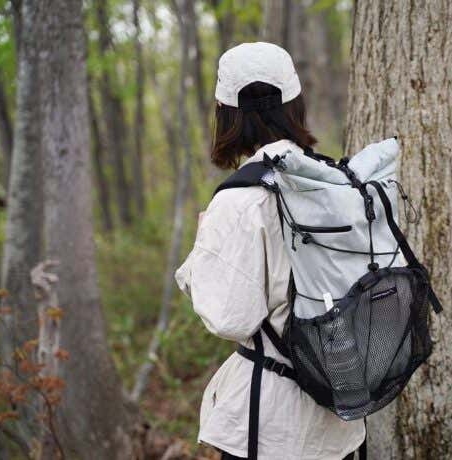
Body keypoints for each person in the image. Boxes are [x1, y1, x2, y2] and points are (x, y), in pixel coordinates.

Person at [175, 42, 365, 460]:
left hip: (270, 427)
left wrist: (200, 255)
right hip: (340, 410)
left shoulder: (239, 200)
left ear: (227, 114)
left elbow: (230, 316)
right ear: (295, 105)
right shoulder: (336, 182)